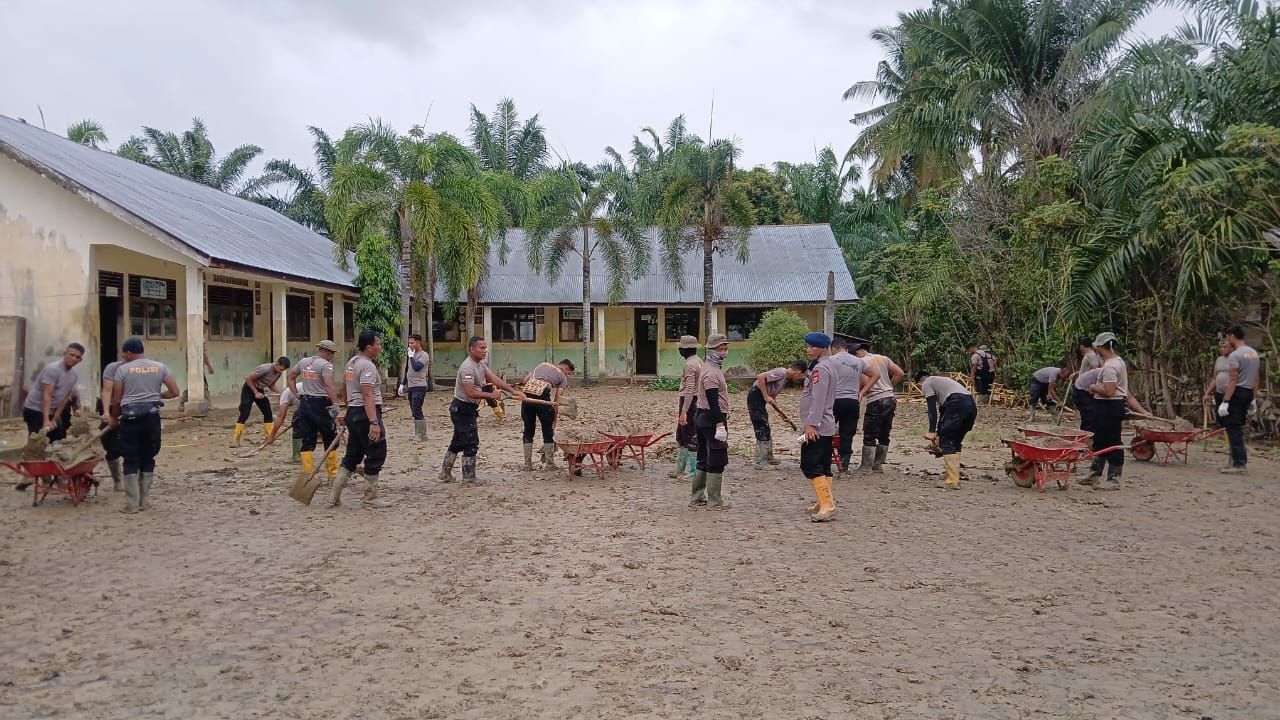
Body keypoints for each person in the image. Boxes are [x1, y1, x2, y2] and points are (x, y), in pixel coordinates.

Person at [439, 336, 525, 485]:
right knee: (471, 443)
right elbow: (470, 392)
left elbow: (494, 379)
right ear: (472, 349)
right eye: (481, 348)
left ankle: (445, 473)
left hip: (468, 408)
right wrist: (491, 395)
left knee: (458, 441)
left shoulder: (480, 365)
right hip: (462, 408)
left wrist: (512, 391)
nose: (485, 351)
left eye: (485, 348)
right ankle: (469, 478)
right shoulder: (468, 367)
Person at [108, 337, 180, 513]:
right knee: (148, 457)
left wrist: (114, 417)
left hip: (130, 419)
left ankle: (132, 505)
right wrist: (157, 395)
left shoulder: (122, 370)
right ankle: (144, 502)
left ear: (129, 353)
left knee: (130, 459)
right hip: (151, 418)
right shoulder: (160, 367)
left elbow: (117, 399)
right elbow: (175, 392)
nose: (123, 357)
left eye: (124, 354)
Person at [1084, 332, 1152, 490]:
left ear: (1101, 348)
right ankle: (1094, 474)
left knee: (1113, 442)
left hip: (1109, 407)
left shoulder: (1110, 367)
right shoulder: (1119, 361)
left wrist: (1093, 387)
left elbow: (1109, 391)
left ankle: (1113, 479)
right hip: (1109, 406)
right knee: (1100, 440)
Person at [331, 331, 388, 508]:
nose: (379, 347)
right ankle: (370, 498)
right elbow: (368, 394)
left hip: (354, 412)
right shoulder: (367, 366)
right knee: (376, 452)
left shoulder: (351, 362)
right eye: (377, 344)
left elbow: (344, 389)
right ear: (369, 347)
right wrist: (374, 422)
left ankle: (334, 495)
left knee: (352, 455)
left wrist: (349, 411)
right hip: (365, 413)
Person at [288, 340, 341, 485]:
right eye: (332, 354)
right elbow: (329, 384)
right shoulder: (326, 365)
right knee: (330, 438)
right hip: (320, 404)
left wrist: (296, 394)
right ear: (328, 352)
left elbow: (291, 376)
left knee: (307, 441)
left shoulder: (304, 362)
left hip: (305, 404)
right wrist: (335, 404)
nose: (332, 357)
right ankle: (333, 475)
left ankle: (308, 475)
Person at [799, 332, 838, 522]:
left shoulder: (820, 369)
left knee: (811, 464)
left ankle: (827, 504)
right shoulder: (827, 366)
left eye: (812, 347)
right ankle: (822, 500)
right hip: (826, 423)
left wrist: (811, 424)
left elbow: (818, 398)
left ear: (822, 348)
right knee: (823, 464)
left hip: (818, 425)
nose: (808, 350)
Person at [916, 370, 978, 489]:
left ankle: (952, 481)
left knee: (948, 441)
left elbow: (932, 410)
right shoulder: (944, 383)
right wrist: (939, 434)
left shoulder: (926, 383)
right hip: (970, 405)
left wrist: (931, 431)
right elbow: (943, 413)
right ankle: (954, 475)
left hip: (956, 403)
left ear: (919, 383)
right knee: (955, 441)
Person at [691, 334, 732, 510]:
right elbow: (713, 400)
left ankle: (697, 496)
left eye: (725, 349)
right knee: (716, 457)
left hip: (703, 417)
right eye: (719, 349)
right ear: (710, 350)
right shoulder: (710, 373)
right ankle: (714, 500)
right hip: (711, 417)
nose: (723, 353)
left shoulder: (708, 369)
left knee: (703, 456)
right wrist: (719, 424)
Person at [746, 360, 807, 470]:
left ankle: (768, 457)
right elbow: (760, 377)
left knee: (766, 426)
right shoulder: (781, 372)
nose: (799, 378)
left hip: (761, 399)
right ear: (798, 372)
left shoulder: (784, 380)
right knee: (761, 425)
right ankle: (760, 461)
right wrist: (765, 395)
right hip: (756, 395)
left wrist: (782, 414)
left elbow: (772, 399)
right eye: (801, 376)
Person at [855, 341, 905, 472]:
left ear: (857, 352)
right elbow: (900, 373)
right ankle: (878, 464)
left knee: (870, 432)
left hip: (876, 399)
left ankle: (866, 466)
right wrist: (889, 385)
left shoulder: (861, 362)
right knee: (884, 432)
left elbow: (865, 381)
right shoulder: (883, 358)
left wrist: (863, 391)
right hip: (890, 398)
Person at [830, 337, 877, 474]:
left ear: (833, 348)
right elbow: (876, 374)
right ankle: (844, 465)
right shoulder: (858, 361)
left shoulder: (831, 361)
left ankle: (824, 461)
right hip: (852, 401)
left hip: (835, 400)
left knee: (827, 430)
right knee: (847, 433)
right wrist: (862, 391)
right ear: (846, 347)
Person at [22, 342, 84, 441]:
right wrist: (46, 420)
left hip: (52, 410)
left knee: (58, 439)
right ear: (65, 353)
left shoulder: (73, 375)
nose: (73, 358)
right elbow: (47, 395)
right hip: (35, 409)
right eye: (71, 355)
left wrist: (54, 419)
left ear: (80, 360)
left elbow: (64, 399)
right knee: (38, 442)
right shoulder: (52, 369)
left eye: (77, 357)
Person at [520, 359, 574, 471]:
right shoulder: (562, 377)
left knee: (528, 430)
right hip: (543, 394)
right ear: (566, 368)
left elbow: (525, 380)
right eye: (568, 373)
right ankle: (549, 464)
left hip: (527, 394)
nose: (567, 375)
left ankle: (527, 464)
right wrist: (554, 416)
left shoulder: (542, 364)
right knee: (547, 430)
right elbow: (557, 399)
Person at [1219, 325, 1259, 475]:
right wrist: (1253, 398)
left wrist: (1226, 400)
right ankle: (1237, 461)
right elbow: (1256, 378)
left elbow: (1233, 379)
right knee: (1238, 427)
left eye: (1228, 336)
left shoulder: (1235, 355)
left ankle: (1239, 464)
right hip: (1248, 392)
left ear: (1232, 336)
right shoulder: (1254, 353)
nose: (1227, 339)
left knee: (1232, 427)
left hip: (1237, 393)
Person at [231, 356, 291, 447]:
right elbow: (248, 379)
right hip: (249, 388)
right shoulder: (265, 368)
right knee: (244, 412)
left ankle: (269, 437)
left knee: (267, 412)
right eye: (281, 369)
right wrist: (255, 392)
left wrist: (281, 393)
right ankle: (236, 439)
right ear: (277, 364)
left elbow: (271, 384)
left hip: (260, 390)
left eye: (283, 370)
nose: (281, 371)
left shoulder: (278, 373)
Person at [671, 336, 702, 482]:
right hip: (693, 400)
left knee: (689, 435)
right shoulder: (698, 361)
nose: (679, 350)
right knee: (682, 435)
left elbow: (690, 389)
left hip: (690, 401)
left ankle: (692, 471)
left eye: (680, 348)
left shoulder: (690, 365)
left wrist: (684, 410)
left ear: (684, 349)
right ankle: (680, 469)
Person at [1202, 337, 1233, 465]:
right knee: (1221, 419)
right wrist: (1208, 392)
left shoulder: (1235, 359)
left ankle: (1232, 445)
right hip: (1220, 393)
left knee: (1231, 418)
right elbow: (1215, 378)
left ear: (1232, 347)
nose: (1222, 349)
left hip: (1231, 394)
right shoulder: (1219, 360)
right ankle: (1226, 444)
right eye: (1221, 347)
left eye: (1225, 346)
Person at [97, 353, 125, 492]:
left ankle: (131, 478)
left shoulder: (140, 369)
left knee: (131, 446)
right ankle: (118, 481)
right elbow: (107, 390)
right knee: (110, 444)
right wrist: (106, 412)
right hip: (111, 406)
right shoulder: (112, 368)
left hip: (130, 408)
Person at [398, 334, 430, 442]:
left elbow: (416, 368)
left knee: (417, 409)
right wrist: (403, 384)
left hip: (419, 386)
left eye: (412, 343)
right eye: (409, 343)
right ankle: (420, 433)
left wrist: (411, 357)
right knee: (413, 410)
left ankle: (421, 434)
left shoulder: (423, 355)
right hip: (411, 386)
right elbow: (408, 370)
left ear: (418, 343)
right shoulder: (411, 354)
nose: (410, 345)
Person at [179, 320, 214, 414]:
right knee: (203, 386)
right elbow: (203, 354)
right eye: (205, 328)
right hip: (196, 367)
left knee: (193, 386)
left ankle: (182, 404)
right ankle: (209, 404)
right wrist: (209, 366)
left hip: (194, 366)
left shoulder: (193, 337)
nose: (206, 330)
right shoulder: (198, 339)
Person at [1073, 338, 1101, 433]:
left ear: (1082, 346)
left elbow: (1096, 368)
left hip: (1084, 387)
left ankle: (1086, 435)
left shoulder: (1090, 355)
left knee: (1088, 415)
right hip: (1083, 386)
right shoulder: (1091, 355)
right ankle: (1086, 436)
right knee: (1088, 415)